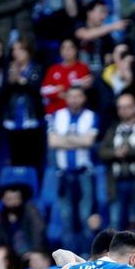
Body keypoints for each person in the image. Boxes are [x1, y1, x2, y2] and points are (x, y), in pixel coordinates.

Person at [99, 92, 135, 239]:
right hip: (117, 183)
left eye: (127, 107)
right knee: (115, 223)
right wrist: (116, 153)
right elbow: (102, 151)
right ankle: (115, 254)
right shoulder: (113, 129)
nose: (123, 111)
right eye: (120, 107)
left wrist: (128, 152)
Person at [47, 86, 99, 256]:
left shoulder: (91, 116)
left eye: (78, 96)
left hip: (84, 173)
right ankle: (69, 259)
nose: (74, 99)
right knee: (66, 218)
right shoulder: (57, 115)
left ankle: (88, 256)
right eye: (71, 96)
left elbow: (89, 142)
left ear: (84, 98)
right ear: (66, 98)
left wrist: (65, 140)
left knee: (85, 216)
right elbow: (53, 142)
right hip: (63, 175)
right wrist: (78, 140)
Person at [0, 38, 44, 171]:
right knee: (15, 158)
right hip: (13, 119)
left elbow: (36, 90)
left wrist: (19, 79)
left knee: (33, 158)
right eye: (14, 50)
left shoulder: (36, 68)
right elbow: (2, 94)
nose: (16, 53)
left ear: (28, 52)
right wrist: (10, 81)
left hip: (32, 118)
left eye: (20, 49)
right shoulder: (7, 70)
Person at [0, 185, 47, 260]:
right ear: (3, 200)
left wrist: (34, 250)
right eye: (9, 199)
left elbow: (38, 233)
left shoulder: (31, 212)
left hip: (31, 252)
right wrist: (1, 251)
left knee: (37, 257)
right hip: (11, 256)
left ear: (21, 199)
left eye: (16, 199)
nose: (13, 203)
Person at [41, 38, 93, 116]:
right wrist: (67, 89)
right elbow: (44, 91)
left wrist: (60, 88)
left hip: (78, 113)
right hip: (54, 112)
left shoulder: (83, 68)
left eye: (70, 47)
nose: (67, 51)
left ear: (76, 50)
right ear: (60, 51)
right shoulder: (53, 69)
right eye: (64, 48)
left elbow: (84, 87)